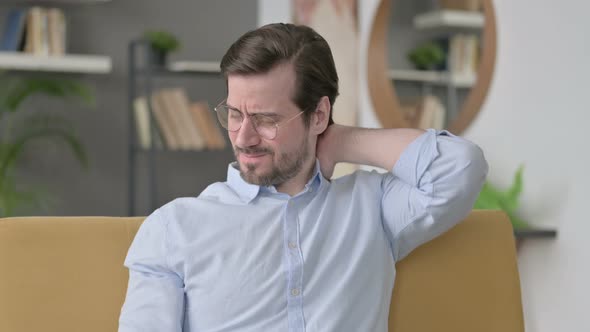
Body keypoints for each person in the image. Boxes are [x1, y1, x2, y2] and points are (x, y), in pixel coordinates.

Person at [118, 23, 488, 332]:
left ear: (318, 115)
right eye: (234, 115)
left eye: (266, 119)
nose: (243, 138)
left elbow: (461, 167)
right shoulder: (175, 228)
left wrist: (343, 141)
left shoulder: (373, 209)